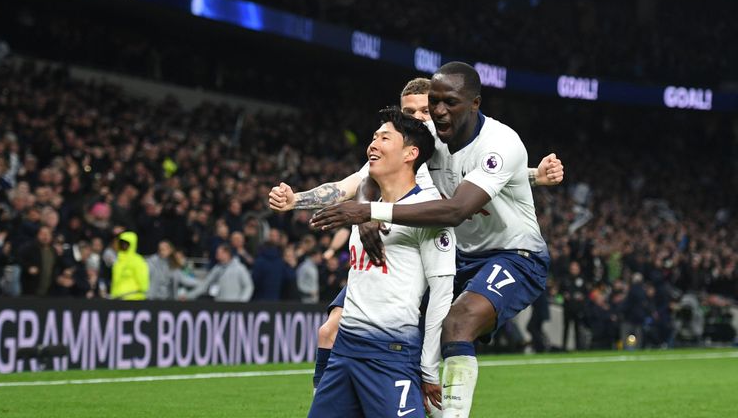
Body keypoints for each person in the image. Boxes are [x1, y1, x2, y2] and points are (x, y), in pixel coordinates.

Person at [269, 76, 564, 396]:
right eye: (410, 112)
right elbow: (353, 183)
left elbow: (492, 175)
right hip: (427, 251)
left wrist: (535, 175)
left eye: (425, 110)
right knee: (331, 330)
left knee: (451, 330)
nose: (419, 118)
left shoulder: (458, 144)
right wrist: (296, 200)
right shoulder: (404, 148)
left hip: (479, 250)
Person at [308, 107, 455, 418]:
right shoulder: (362, 212)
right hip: (345, 352)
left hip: (390, 356)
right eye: (373, 138)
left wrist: (429, 368)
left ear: (410, 153)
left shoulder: (429, 214)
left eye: (384, 138)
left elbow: (442, 295)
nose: (372, 145)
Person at [182, 244, 254, 302]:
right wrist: (188, 296)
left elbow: (248, 286)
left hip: (235, 306)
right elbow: (205, 285)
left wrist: (242, 302)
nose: (216, 255)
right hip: (219, 306)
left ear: (227, 253)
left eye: (219, 253)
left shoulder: (240, 268)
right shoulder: (217, 268)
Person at [110, 231, 149, 300]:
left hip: (134, 298)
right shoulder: (118, 261)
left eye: (126, 244)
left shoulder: (137, 260)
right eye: (121, 244)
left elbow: (143, 281)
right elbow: (115, 281)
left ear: (132, 244)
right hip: (118, 298)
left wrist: (143, 293)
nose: (123, 246)